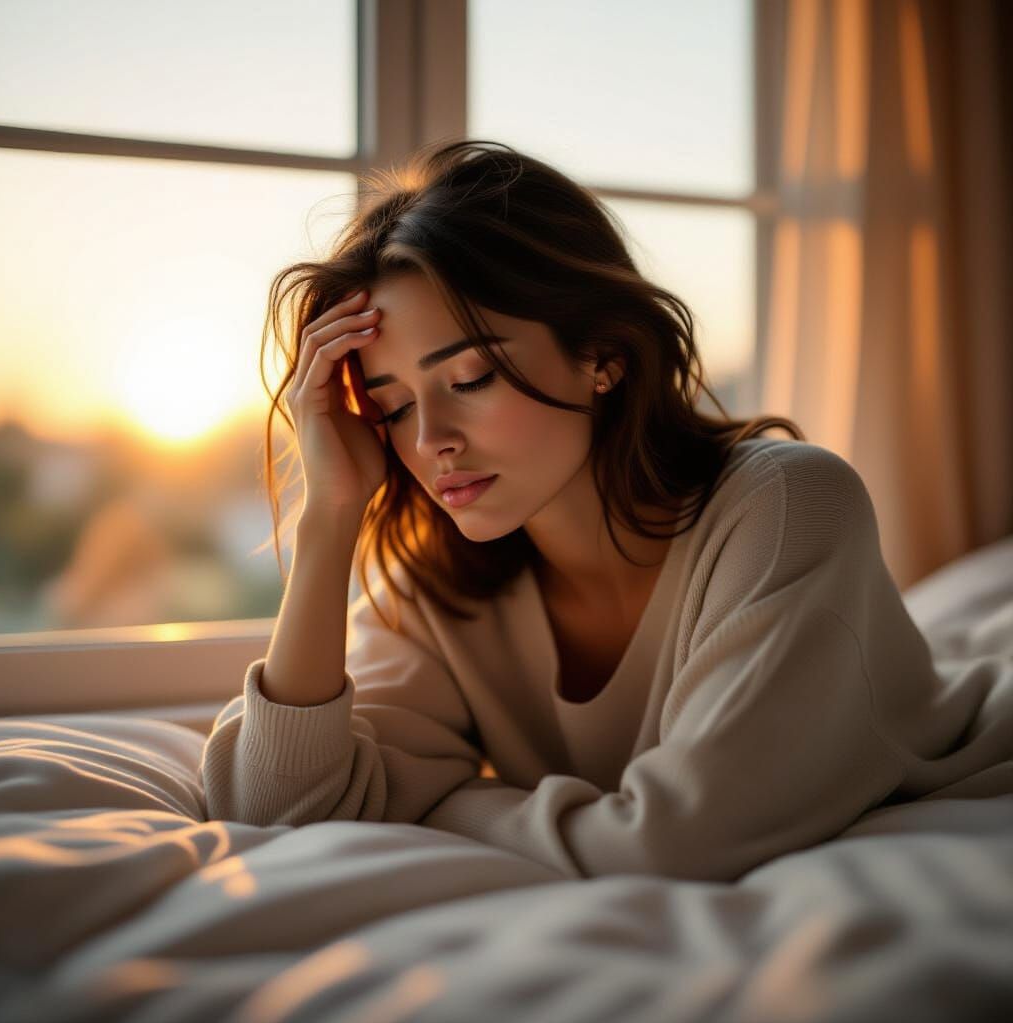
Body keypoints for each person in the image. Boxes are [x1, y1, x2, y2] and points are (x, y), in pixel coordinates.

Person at [199, 139, 1013, 881]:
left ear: (605, 357)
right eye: (394, 406)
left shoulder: (789, 504)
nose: (431, 440)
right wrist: (330, 517)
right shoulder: (438, 577)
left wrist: (450, 804)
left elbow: (678, 842)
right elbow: (271, 811)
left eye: (471, 379)